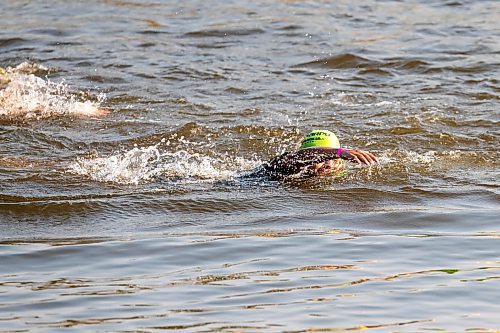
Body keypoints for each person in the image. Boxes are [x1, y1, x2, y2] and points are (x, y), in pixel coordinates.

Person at [251, 129, 378, 179]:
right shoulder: (285, 165)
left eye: (332, 159)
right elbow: (299, 157)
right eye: (320, 159)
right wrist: (339, 152)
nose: (326, 164)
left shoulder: (340, 170)